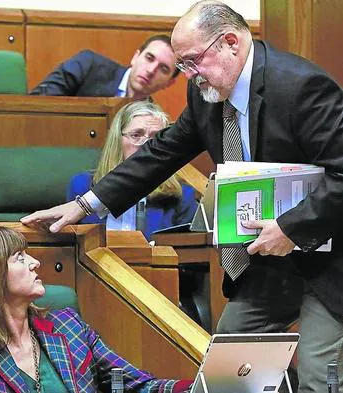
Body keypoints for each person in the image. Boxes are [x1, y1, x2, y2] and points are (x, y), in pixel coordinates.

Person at [22, 2, 343, 392]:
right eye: (184, 65)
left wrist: (290, 227)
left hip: (329, 264)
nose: (189, 76)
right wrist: (84, 204)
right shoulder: (206, 93)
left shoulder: (299, 85)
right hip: (268, 262)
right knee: (229, 378)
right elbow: (161, 154)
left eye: (192, 62)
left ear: (229, 42)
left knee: (316, 377)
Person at [0, 226, 192, 393]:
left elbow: (139, 385)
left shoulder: (69, 325)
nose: (35, 262)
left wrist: (203, 387)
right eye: (19, 257)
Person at [67, 100, 197, 239]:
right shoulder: (82, 187)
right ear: (117, 140)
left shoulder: (182, 197)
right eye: (136, 135)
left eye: (156, 139)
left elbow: (186, 254)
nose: (146, 146)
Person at [29, 35, 179, 100]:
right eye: (149, 58)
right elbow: (40, 102)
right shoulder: (88, 65)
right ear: (135, 57)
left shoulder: (152, 119)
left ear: (169, 83)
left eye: (163, 69)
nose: (151, 70)